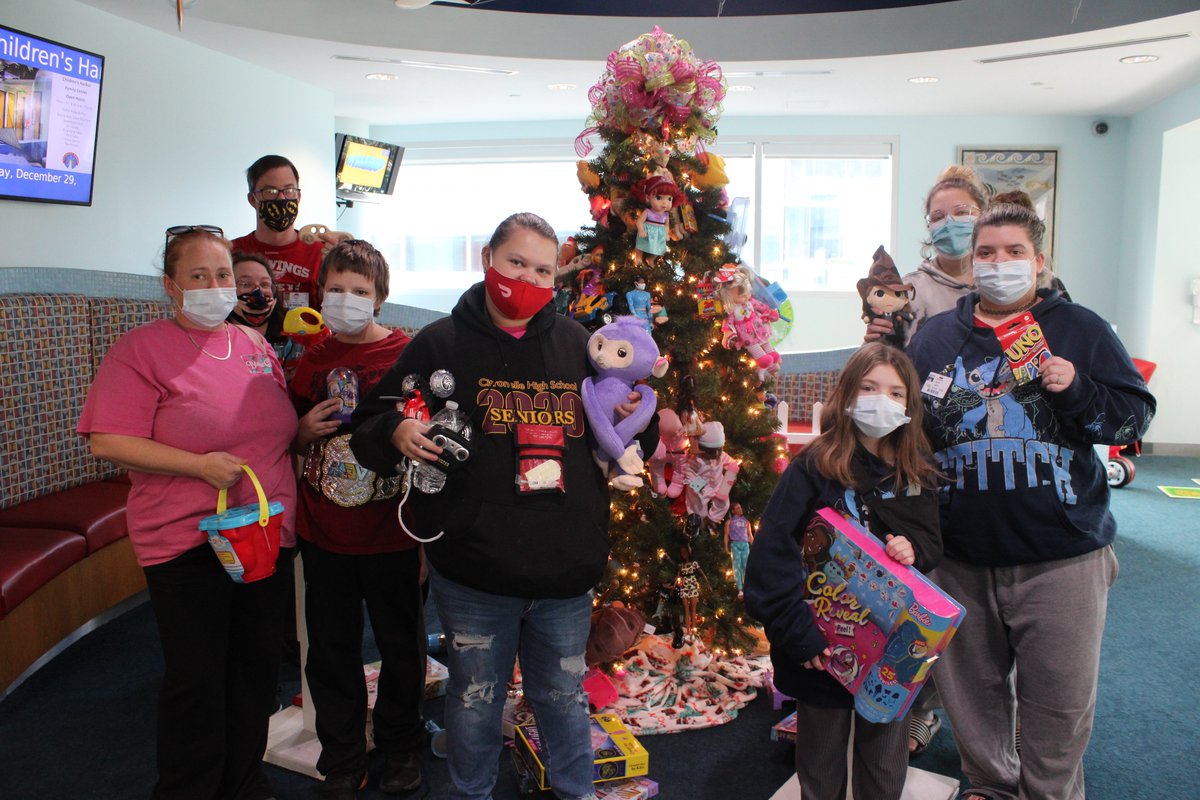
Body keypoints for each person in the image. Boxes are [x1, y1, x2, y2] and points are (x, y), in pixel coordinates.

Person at [349, 212, 658, 800]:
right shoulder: (440, 343)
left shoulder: (579, 345)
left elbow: (632, 439)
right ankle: (470, 792)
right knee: (473, 699)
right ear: (488, 260)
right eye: (516, 262)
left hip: (565, 569)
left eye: (543, 269)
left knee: (564, 697)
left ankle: (575, 792)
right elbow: (370, 423)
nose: (527, 278)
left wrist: (635, 423)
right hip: (474, 570)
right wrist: (393, 430)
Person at [906, 203, 1156, 800]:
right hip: (959, 555)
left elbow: (1133, 415)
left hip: (1061, 557)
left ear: (1039, 262)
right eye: (986, 253)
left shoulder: (1081, 328)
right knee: (971, 697)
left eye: (1014, 252)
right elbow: (907, 432)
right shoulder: (938, 336)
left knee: (1059, 704)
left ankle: (1049, 793)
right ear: (971, 263)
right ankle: (991, 786)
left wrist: (1077, 389)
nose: (998, 264)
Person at [78, 225, 298, 800]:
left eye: (222, 274)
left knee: (254, 672)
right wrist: (197, 466)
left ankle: (245, 782)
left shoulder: (253, 344)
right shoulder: (139, 351)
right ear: (171, 286)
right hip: (188, 541)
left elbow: (274, 427)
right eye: (197, 276)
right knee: (197, 680)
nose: (214, 286)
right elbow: (108, 440)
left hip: (264, 534)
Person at [744, 342, 942, 800]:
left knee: (883, 761)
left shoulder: (914, 471)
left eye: (895, 393)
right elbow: (773, 554)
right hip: (822, 646)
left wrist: (912, 548)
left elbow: (932, 542)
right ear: (848, 394)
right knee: (821, 758)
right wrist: (798, 634)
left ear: (910, 404)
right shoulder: (814, 465)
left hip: (892, 648)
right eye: (869, 388)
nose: (881, 400)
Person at [289, 240, 426, 799]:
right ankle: (342, 756)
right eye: (336, 289)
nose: (346, 300)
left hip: (393, 533)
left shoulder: (409, 354)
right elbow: (291, 434)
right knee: (330, 651)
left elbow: (430, 444)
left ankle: (400, 745)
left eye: (360, 291)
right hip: (325, 534)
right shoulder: (312, 360)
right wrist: (298, 433)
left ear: (381, 297)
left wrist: (424, 542)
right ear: (321, 293)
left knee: (401, 647)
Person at [867, 165, 989, 347]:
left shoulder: (1000, 282)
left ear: (984, 216)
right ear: (929, 226)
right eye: (938, 217)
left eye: (962, 212)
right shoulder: (909, 293)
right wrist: (873, 342)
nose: (949, 223)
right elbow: (882, 363)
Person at [230, 154, 327, 311]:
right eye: (270, 191)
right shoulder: (232, 251)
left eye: (289, 190)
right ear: (253, 199)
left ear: (298, 197)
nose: (281, 198)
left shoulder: (320, 253)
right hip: (247, 335)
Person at [723, 501, 754, 598]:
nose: (740, 509)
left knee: (746, 565)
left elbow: (750, 535)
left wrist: (754, 546)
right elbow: (726, 535)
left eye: (740, 507)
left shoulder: (746, 522)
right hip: (735, 544)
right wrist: (726, 547)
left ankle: (747, 587)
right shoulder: (729, 522)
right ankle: (740, 589)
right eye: (737, 508)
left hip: (745, 544)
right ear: (733, 511)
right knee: (737, 566)